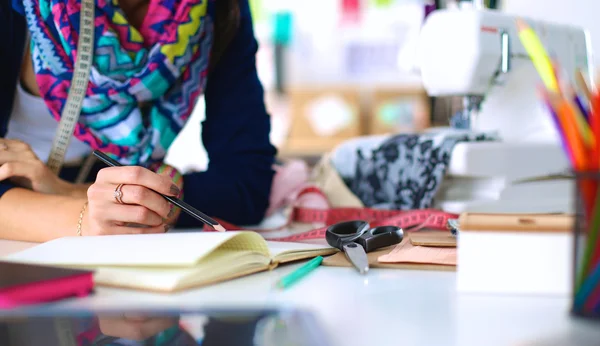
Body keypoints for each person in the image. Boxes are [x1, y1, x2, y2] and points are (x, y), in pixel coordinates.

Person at [0, 0, 277, 242]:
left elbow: (247, 184)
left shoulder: (213, 10)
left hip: (115, 227)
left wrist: (71, 193)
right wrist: (85, 216)